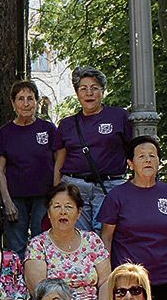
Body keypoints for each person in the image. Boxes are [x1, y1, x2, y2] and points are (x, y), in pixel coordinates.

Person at [98, 135, 167, 300]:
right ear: (130, 163)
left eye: (152, 155)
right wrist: (109, 275)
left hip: (164, 275)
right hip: (130, 280)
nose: (148, 160)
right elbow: (107, 237)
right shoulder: (117, 196)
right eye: (141, 156)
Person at [49, 66, 131, 232]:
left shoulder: (119, 116)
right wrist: (56, 190)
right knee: (77, 235)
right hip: (75, 187)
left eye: (94, 88)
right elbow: (60, 158)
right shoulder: (67, 124)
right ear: (77, 93)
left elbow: (132, 151)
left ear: (102, 91)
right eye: (83, 89)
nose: (89, 93)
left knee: (107, 235)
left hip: (108, 185)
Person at [24, 183, 112, 300]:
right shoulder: (38, 245)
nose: (63, 211)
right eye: (57, 206)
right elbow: (39, 290)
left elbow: (106, 280)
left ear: (79, 213)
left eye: (69, 207)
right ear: (48, 213)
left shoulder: (92, 240)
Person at [0, 80, 56, 256]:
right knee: (16, 247)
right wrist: (7, 202)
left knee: (42, 244)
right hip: (16, 199)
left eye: (30, 98)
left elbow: (58, 162)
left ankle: (41, 283)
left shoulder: (48, 129)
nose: (26, 103)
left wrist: (55, 195)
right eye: (21, 99)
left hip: (43, 198)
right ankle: (16, 282)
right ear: (13, 103)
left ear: (37, 102)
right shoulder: (5, 133)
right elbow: (0, 170)